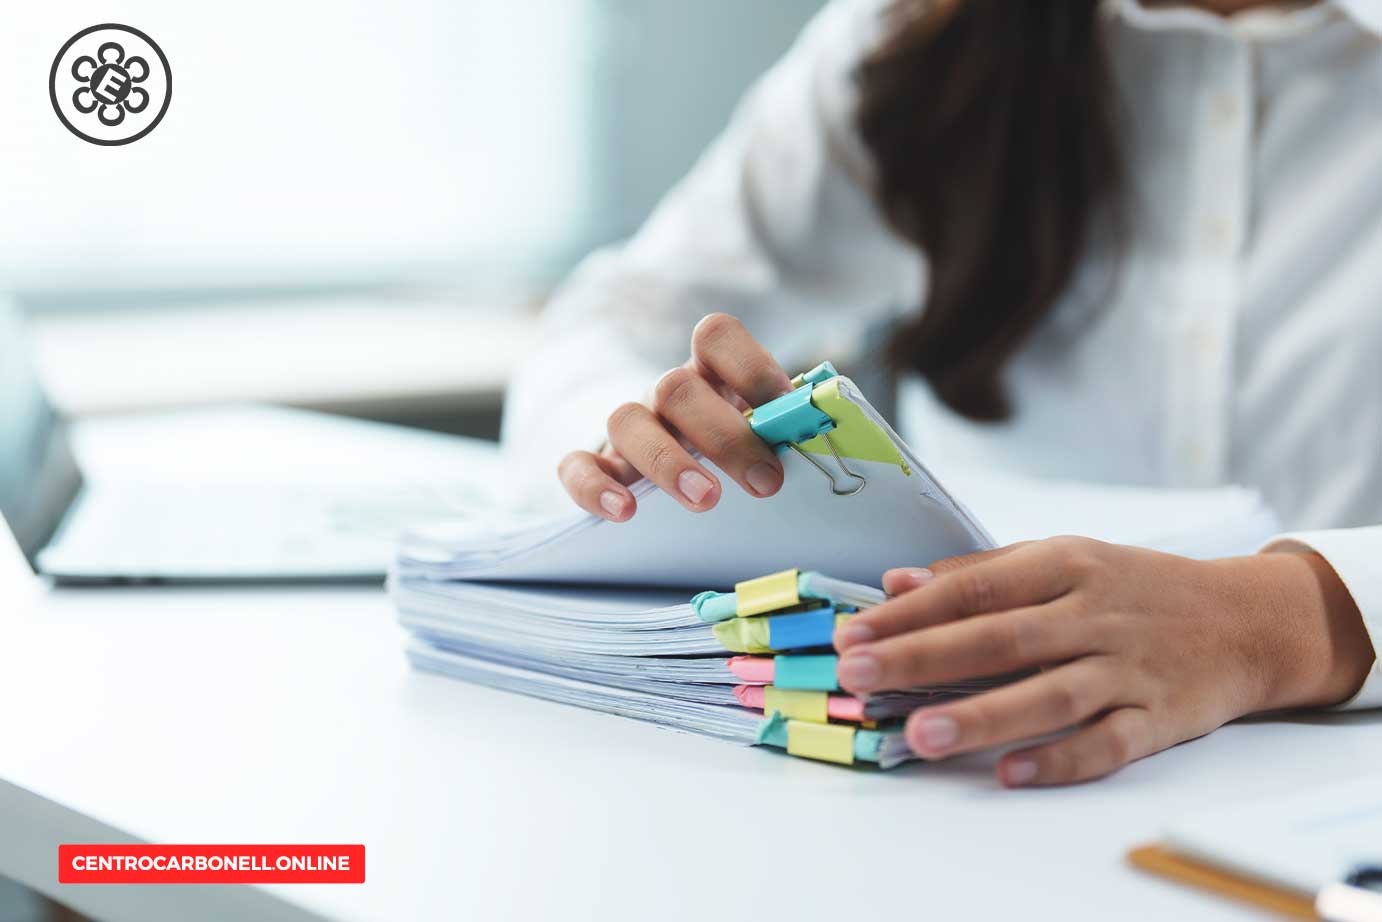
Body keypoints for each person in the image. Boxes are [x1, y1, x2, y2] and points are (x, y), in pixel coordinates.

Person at [503, 0, 1382, 786]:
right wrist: (643, 442)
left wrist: (1277, 622)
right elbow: (608, 318)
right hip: (952, 769)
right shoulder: (913, 35)